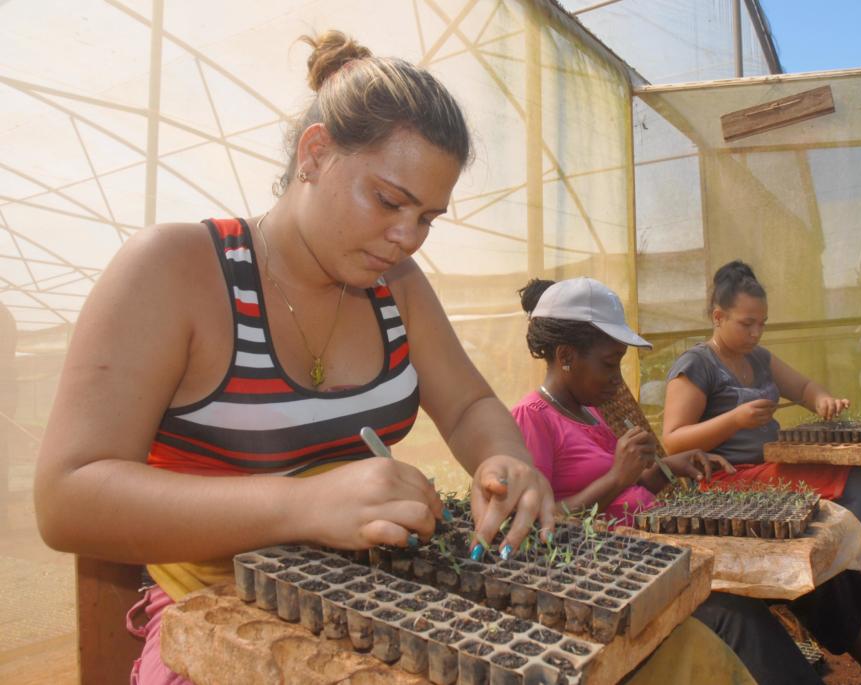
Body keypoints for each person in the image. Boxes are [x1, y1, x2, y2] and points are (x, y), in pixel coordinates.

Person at [33, 31, 554, 684]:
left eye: (428, 217)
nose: (407, 237)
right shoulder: (175, 270)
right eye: (388, 200)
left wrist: (504, 458)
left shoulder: (397, 286)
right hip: (216, 623)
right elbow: (68, 497)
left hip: (360, 608)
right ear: (315, 154)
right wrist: (303, 505)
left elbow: (469, 403)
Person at [512, 276, 861, 685]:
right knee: (736, 616)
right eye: (609, 363)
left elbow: (632, 491)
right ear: (566, 356)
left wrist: (666, 469)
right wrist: (617, 479)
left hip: (662, 540)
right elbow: (533, 530)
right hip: (615, 570)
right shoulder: (533, 419)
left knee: (803, 562)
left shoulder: (590, 412)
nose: (616, 375)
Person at [661, 260, 861, 647]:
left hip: (769, 467)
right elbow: (673, 441)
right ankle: (850, 614)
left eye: (762, 324)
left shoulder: (758, 358)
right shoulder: (696, 365)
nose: (756, 333)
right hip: (726, 480)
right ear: (718, 317)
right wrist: (735, 420)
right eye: (747, 324)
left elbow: (804, 387)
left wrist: (822, 400)